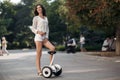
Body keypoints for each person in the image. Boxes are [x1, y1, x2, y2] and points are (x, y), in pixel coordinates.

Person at [30, 4, 55, 76]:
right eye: (37, 8)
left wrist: (47, 36)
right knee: (39, 54)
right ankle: (39, 70)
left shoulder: (45, 18)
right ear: (36, 10)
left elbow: (47, 29)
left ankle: (51, 65)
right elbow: (33, 28)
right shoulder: (36, 18)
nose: (39, 9)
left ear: (42, 8)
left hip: (45, 38)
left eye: (40, 7)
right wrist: (38, 32)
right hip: (38, 37)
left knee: (52, 48)